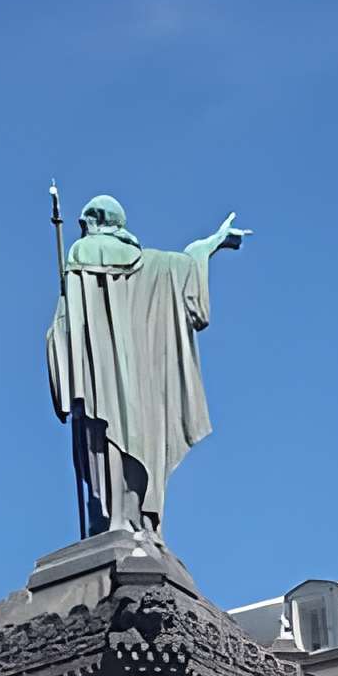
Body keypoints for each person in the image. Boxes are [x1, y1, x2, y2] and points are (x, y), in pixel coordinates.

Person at [46, 194, 249, 535]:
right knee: (137, 440)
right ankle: (136, 521)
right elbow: (190, 281)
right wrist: (209, 245)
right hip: (141, 394)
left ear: (93, 222)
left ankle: (113, 519)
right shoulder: (156, 265)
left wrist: (63, 352)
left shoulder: (80, 257)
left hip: (98, 381)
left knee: (103, 434)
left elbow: (63, 332)